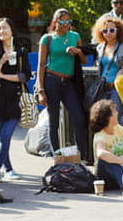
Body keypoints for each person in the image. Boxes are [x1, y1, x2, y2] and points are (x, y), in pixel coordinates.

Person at [35, 8, 88, 156]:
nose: (65, 24)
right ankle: (57, 156)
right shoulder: (47, 38)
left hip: (69, 83)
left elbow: (84, 61)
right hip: (52, 81)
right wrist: (41, 90)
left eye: (68, 22)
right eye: (61, 21)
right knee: (54, 121)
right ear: (55, 22)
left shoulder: (75, 36)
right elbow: (40, 65)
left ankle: (81, 156)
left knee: (78, 118)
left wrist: (79, 51)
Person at [0, 17, 30, 181]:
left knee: (5, 136)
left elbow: (25, 76)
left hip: (15, 99)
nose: (2, 32)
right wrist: (2, 61)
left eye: (5, 28)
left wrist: (3, 75)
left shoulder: (21, 51)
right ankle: (8, 168)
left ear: (12, 30)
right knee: (3, 136)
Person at [91, 15, 123, 120]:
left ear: (118, 31)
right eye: (105, 31)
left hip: (117, 88)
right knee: (102, 119)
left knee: (115, 119)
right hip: (103, 88)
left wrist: (121, 73)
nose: (108, 33)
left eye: (112, 30)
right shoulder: (100, 47)